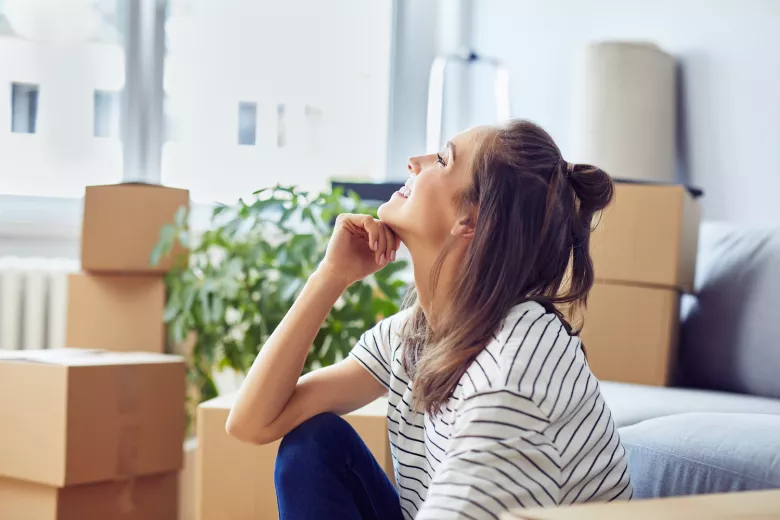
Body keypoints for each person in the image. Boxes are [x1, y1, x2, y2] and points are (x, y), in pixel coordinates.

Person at [226, 120, 632, 520]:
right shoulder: (417, 333)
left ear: (470, 220)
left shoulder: (514, 373)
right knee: (313, 443)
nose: (414, 162)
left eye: (441, 159)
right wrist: (331, 276)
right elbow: (252, 423)